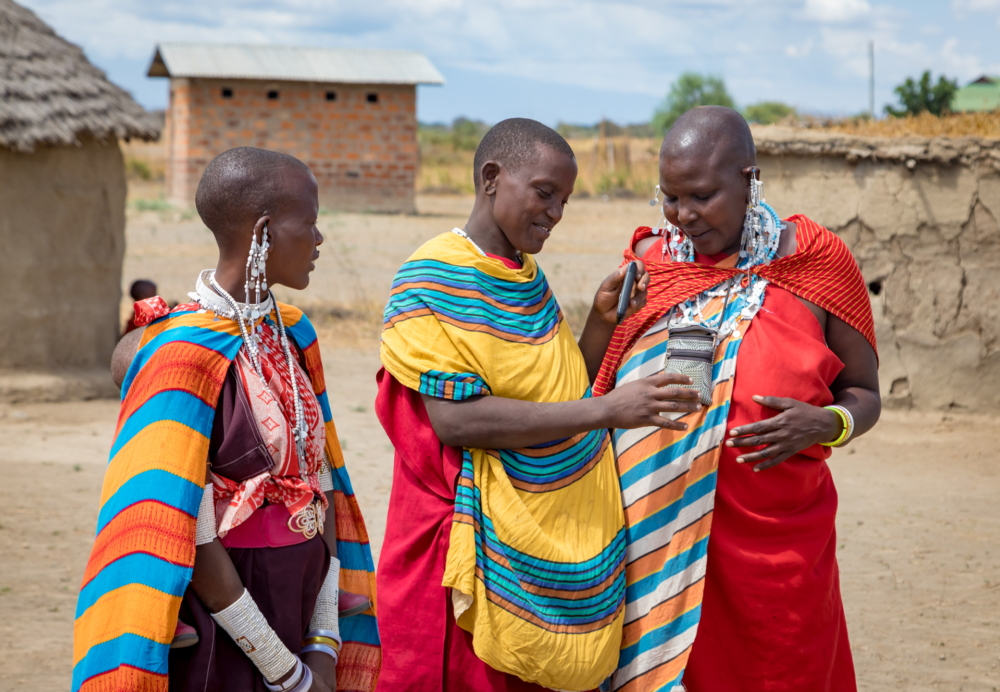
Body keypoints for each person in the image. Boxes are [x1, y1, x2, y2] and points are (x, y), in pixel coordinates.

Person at [374, 118, 702, 692]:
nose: (554, 212)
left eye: (565, 201)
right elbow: (458, 421)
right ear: (492, 177)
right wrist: (608, 410)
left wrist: (602, 323)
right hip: (458, 541)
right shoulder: (433, 277)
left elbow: (555, 391)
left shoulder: (526, 277)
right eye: (544, 193)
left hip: (534, 541)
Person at [593, 106, 880, 692]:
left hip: (777, 552)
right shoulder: (651, 264)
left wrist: (828, 423)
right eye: (669, 198)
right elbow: (589, 382)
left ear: (749, 181)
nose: (683, 215)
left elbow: (865, 393)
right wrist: (601, 323)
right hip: (653, 544)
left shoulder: (815, 263)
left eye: (701, 196)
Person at [73, 148, 381, 692]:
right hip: (229, 618)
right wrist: (286, 674)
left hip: (304, 595)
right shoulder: (184, 352)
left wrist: (324, 643)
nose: (319, 238)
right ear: (262, 232)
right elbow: (187, 523)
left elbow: (321, 478)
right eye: (308, 222)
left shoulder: (293, 334)